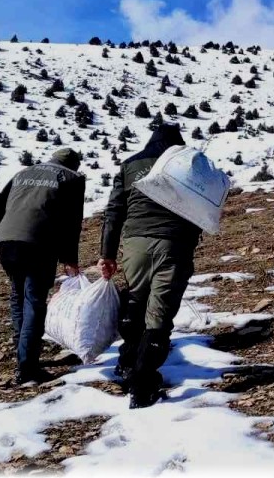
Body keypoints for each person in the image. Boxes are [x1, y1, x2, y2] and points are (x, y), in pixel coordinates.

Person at [97, 123, 201, 408]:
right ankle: (142, 386)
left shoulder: (131, 165)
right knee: (159, 315)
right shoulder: (187, 162)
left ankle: (127, 363)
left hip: (135, 244)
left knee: (135, 302)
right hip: (173, 244)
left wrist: (107, 253)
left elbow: (114, 211)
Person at [0, 148, 86, 386]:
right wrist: (70, 257)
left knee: (18, 295)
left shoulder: (24, 172)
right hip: (39, 243)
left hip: (6, 243)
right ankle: (28, 368)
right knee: (34, 301)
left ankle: (23, 356)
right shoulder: (72, 178)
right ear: (74, 165)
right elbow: (72, 220)